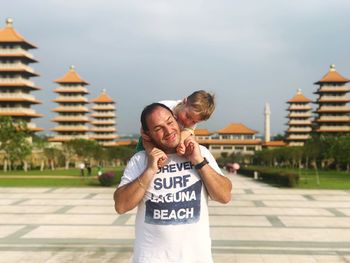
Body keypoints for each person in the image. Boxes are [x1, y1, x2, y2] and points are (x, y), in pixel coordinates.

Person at [114, 103, 232, 263]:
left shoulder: (200, 152)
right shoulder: (140, 160)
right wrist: (150, 170)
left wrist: (198, 161)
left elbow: (224, 196)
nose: (168, 131)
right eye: (158, 129)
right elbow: (121, 205)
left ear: (176, 120)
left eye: (170, 122)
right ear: (147, 134)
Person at [136, 90, 215, 166]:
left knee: (191, 138)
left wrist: (181, 145)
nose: (188, 122)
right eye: (187, 116)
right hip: (152, 137)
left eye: (194, 122)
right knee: (145, 139)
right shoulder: (164, 107)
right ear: (184, 101)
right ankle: (153, 154)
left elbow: (187, 132)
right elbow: (146, 127)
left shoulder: (191, 121)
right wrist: (151, 150)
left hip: (169, 141)